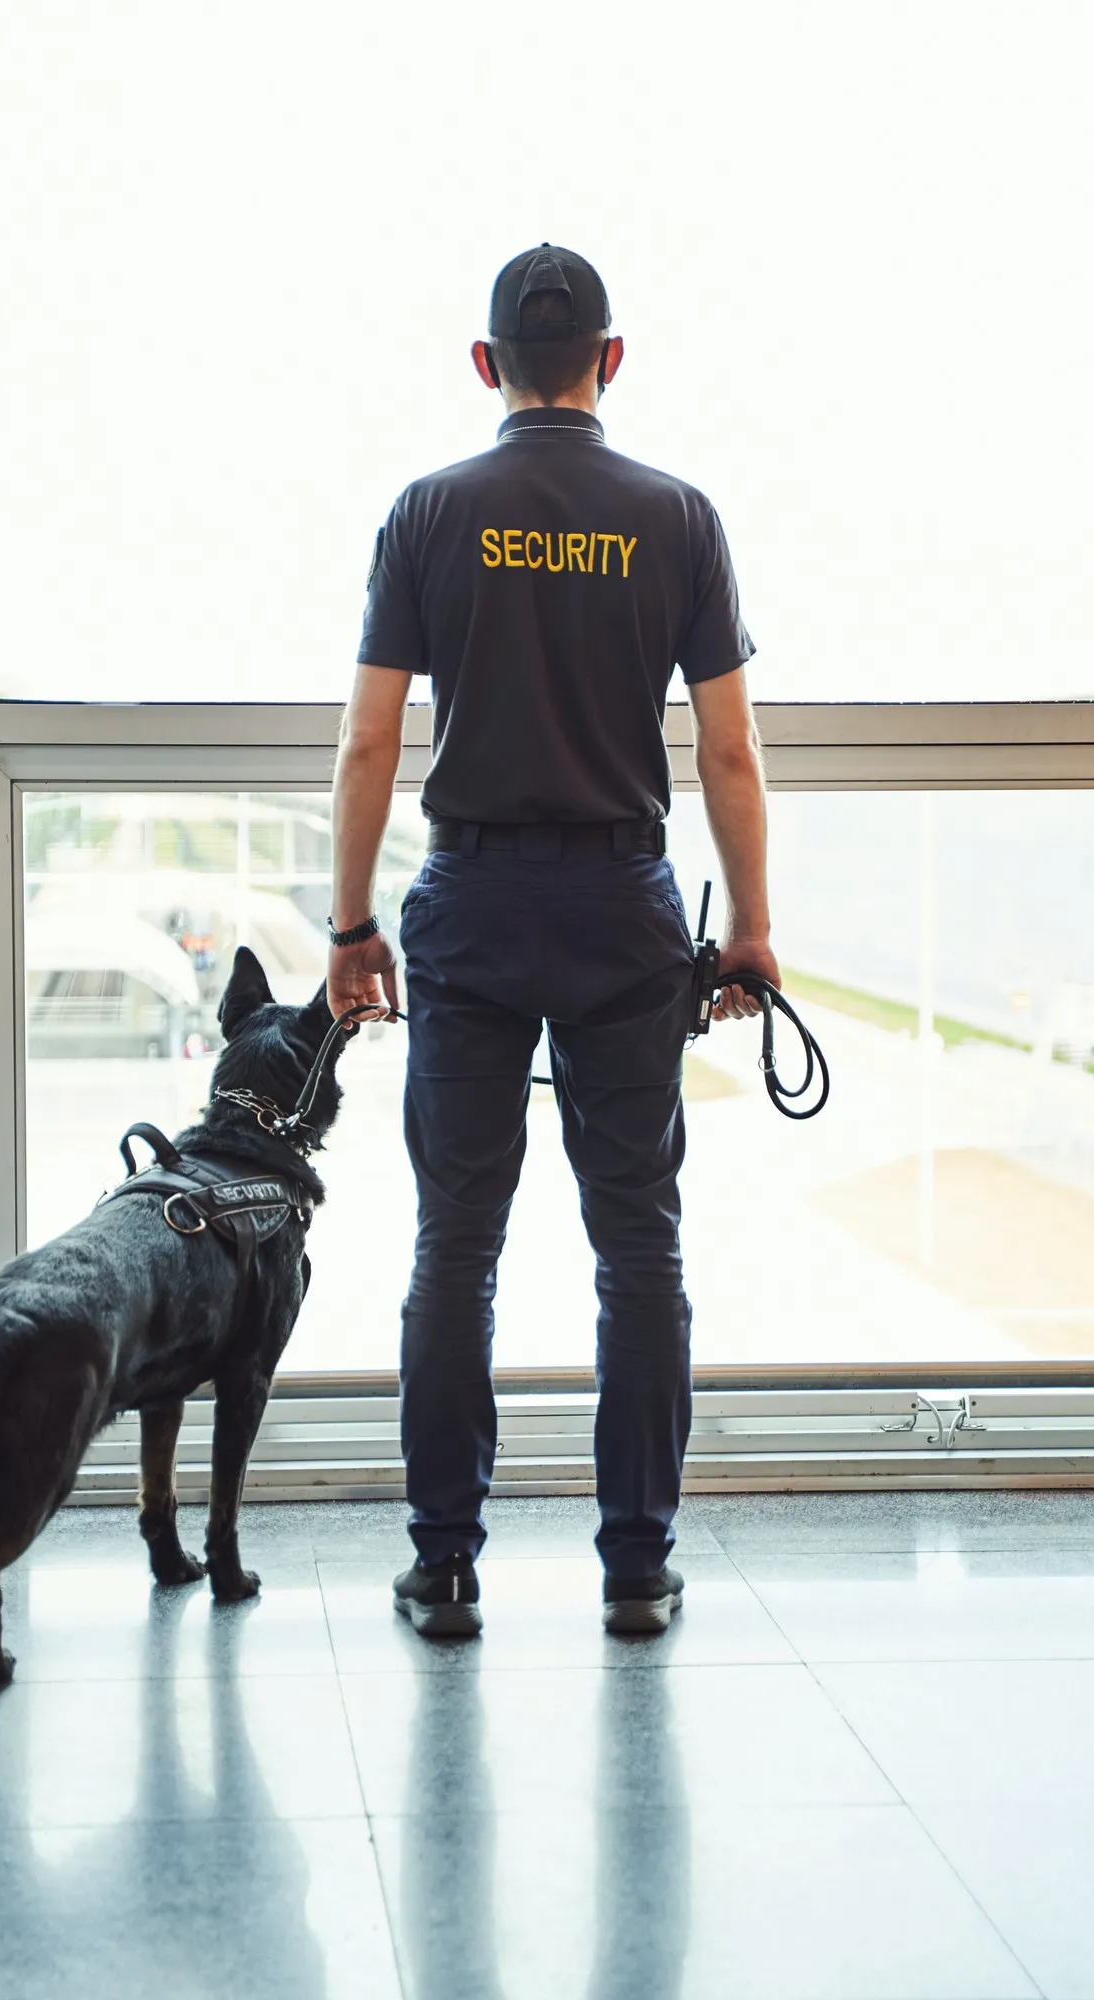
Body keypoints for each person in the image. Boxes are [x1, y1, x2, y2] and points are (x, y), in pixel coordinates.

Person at [326, 244, 776, 1637]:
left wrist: (349, 925)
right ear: (611, 361)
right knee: (638, 1244)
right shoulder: (678, 517)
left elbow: (370, 739)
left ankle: (445, 1563)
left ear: (486, 369)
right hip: (622, 903)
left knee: (456, 1241)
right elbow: (729, 754)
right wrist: (751, 926)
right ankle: (637, 1567)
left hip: (470, 899)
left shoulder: (429, 512)